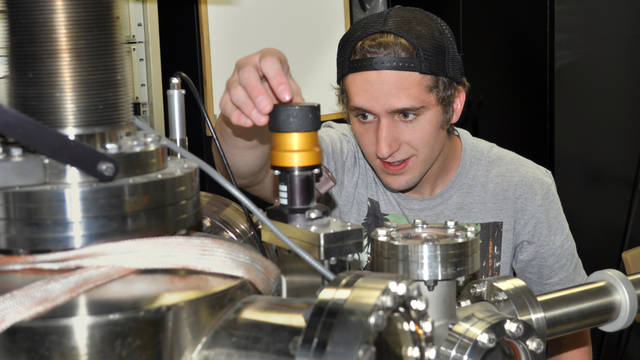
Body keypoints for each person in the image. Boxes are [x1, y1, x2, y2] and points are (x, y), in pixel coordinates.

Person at [214, 6, 591, 359]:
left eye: (406, 114)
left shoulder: (523, 186)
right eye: (363, 115)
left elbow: (569, 333)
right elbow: (246, 170)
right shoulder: (340, 159)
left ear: (454, 105)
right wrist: (241, 116)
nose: (383, 146)